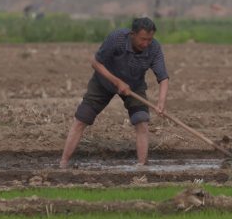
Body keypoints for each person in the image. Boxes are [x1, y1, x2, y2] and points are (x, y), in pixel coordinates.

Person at [59, 17, 169, 168]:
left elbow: (163, 77)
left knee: (141, 121)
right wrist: (117, 81)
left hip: (134, 86)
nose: (146, 44)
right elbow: (96, 62)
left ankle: (142, 166)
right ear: (133, 34)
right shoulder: (116, 38)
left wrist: (161, 102)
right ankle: (63, 162)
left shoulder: (154, 48)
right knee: (81, 119)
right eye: (143, 39)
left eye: (149, 39)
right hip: (103, 82)